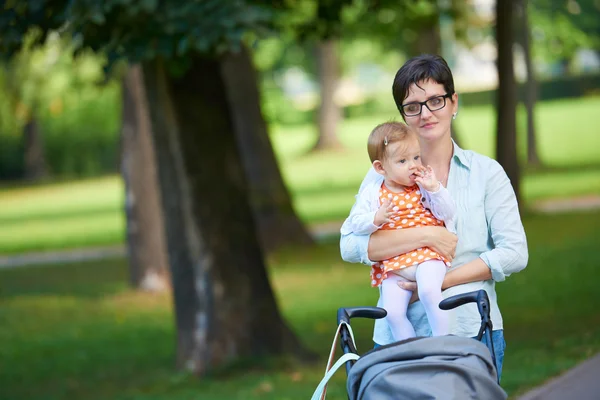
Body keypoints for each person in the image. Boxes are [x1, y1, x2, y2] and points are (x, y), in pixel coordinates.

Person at [339, 54, 528, 379]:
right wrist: (427, 236)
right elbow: (350, 246)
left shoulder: (485, 173)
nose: (425, 113)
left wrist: (441, 281)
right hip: (396, 342)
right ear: (403, 116)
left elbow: (514, 253)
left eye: (435, 101)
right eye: (413, 106)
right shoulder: (381, 178)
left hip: (470, 331)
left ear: (453, 102)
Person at [340, 121, 456, 341]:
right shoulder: (373, 194)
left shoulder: (423, 186)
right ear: (380, 168)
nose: (413, 165)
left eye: (416, 157)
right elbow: (355, 223)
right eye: (403, 161)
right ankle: (410, 349)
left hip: (427, 257)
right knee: (392, 313)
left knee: (429, 292)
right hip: (394, 264)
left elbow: (448, 213)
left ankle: (443, 341)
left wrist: (436, 190)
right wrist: (374, 219)